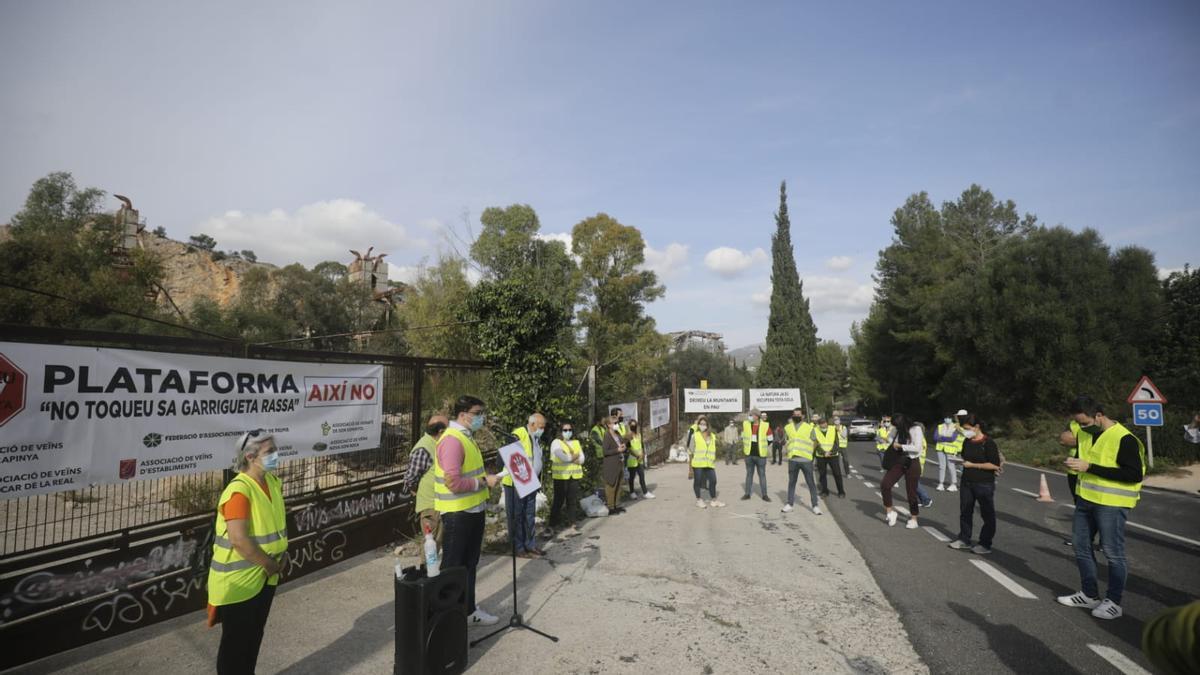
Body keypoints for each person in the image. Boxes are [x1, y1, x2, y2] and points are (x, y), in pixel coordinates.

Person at [1057, 395, 1145, 621]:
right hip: (1086, 500)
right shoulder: (1087, 434)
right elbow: (1084, 461)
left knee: (1112, 552)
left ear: (1099, 415)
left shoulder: (1124, 438)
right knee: (1080, 545)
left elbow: (1134, 474)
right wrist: (1076, 465)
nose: (1081, 428)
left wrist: (1090, 466)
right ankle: (1089, 594)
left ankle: (1114, 602)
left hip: (1112, 505)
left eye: (1084, 423)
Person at [208, 430, 289, 675]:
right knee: (236, 647)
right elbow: (239, 539)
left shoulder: (272, 482)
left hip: (264, 578)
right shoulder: (239, 491)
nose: (276, 455)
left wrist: (281, 554)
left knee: (252, 640)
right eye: (269, 452)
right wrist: (270, 564)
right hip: (240, 583)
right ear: (251, 457)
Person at [435, 395, 502, 627]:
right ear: (463, 415)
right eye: (478, 413)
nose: (481, 418)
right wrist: (483, 482)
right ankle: (444, 618)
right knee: (453, 568)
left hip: (473, 511)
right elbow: (452, 482)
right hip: (457, 515)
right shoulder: (453, 440)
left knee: (470, 564)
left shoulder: (466, 437)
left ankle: (468, 610)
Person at [947, 414, 1001, 554]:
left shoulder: (988, 443)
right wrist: (958, 460)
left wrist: (973, 465)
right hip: (967, 481)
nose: (965, 432)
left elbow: (995, 465)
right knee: (965, 511)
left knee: (987, 514)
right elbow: (965, 457)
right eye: (964, 429)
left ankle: (985, 543)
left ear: (977, 427)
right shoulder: (967, 441)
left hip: (984, 483)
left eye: (967, 429)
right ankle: (964, 539)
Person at [504, 413, 546, 559]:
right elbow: (507, 457)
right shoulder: (518, 434)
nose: (543, 429)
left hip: (531, 483)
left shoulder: (535, 438)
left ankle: (530, 544)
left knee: (529, 515)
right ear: (532, 424)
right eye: (541, 427)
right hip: (516, 483)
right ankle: (518, 547)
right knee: (517, 516)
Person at [403, 414, 449, 545]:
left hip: (441, 503)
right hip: (431, 505)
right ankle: (426, 567)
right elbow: (410, 478)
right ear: (440, 431)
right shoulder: (424, 448)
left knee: (438, 542)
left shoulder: (437, 443)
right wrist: (416, 492)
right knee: (432, 544)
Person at [880, 413, 923, 529]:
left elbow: (917, 447)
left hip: (912, 462)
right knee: (885, 484)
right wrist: (893, 443)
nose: (895, 428)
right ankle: (890, 512)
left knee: (911, 493)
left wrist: (901, 446)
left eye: (897, 426)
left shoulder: (916, 429)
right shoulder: (897, 430)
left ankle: (914, 518)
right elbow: (890, 438)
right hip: (899, 460)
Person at [549, 422, 585, 537]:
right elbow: (562, 457)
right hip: (561, 477)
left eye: (569, 430)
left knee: (572, 501)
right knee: (558, 502)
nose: (567, 432)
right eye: (565, 430)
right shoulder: (556, 442)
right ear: (560, 431)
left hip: (574, 477)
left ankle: (572, 525)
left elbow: (582, 459)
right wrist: (574, 457)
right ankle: (552, 526)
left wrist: (572, 458)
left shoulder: (576, 442)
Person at [782, 407, 820, 515]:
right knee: (791, 482)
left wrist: (810, 453)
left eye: (799, 414)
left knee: (811, 483)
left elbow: (815, 441)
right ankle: (789, 504)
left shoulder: (808, 427)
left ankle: (815, 505)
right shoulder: (787, 427)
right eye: (795, 414)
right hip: (793, 459)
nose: (797, 416)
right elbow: (787, 440)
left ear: (803, 416)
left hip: (806, 459)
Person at [689, 415, 724, 508]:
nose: (702, 426)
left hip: (709, 463)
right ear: (698, 425)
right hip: (698, 463)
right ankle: (699, 500)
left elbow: (713, 449)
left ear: (707, 425)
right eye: (701, 424)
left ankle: (713, 500)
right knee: (698, 481)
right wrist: (690, 468)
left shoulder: (712, 436)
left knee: (713, 481)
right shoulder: (695, 435)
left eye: (704, 424)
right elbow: (690, 451)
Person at [741, 409, 771, 502]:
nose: (750, 417)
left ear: (757, 416)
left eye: (752, 415)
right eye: (750, 415)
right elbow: (743, 437)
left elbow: (770, 439)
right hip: (749, 455)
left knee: (762, 475)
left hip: (760, 455)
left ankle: (764, 495)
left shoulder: (766, 426)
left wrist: (763, 447)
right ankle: (747, 494)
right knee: (749, 474)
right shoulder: (746, 424)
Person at [600, 415, 628, 514]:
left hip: (620, 462)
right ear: (608, 425)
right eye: (615, 423)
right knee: (611, 485)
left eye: (617, 423)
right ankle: (611, 507)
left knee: (619, 484)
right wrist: (617, 450)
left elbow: (621, 443)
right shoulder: (607, 435)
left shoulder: (617, 433)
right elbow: (605, 451)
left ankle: (617, 505)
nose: (617, 425)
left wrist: (624, 446)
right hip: (611, 464)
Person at [812, 416, 845, 498]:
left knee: (837, 474)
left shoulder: (833, 429)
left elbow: (836, 443)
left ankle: (841, 492)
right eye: (821, 424)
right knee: (822, 475)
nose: (823, 425)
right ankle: (824, 491)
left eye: (824, 423)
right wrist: (824, 453)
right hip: (821, 456)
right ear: (819, 424)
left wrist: (831, 452)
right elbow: (816, 444)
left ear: (827, 422)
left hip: (833, 455)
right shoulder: (815, 430)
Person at [626, 419, 654, 499]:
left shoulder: (638, 434)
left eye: (635, 425)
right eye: (632, 425)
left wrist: (642, 454)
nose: (633, 427)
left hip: (640, 459)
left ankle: (645, 492)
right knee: (632, 477)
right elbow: (629, 448)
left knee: (642, 476)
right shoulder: (628, 436)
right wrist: (636, 455)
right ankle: (632, 492)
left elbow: (641, 445)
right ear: (629, 426)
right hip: (632, 459)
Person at [934, 414, 962, 492]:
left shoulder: (955, 427)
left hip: (951, 449)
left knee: (951, 467)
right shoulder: (940, 426)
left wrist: (941, 437)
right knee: (941, 466)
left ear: (951, 419)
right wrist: (946, 438)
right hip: (940, 448)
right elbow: (935, 437)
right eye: (946, 417)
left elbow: (952, 438)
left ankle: (953, 484)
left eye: (949, 417)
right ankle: (941, 483)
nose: (947, 419)